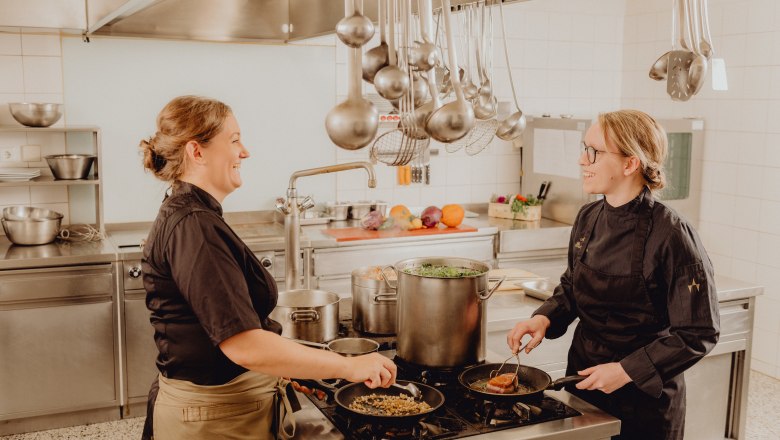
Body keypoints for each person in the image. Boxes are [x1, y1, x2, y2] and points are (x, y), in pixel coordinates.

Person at [138, 95, 396, 440]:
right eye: (234, 140)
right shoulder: (194, 225)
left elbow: (223, 336)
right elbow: (244, 345)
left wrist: (286, 368)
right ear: (196, 152)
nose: (245, 152)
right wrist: (349, 366)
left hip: (224, 407)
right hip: (214, 419)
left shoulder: (194, 213)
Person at [507, 110, 719, 440]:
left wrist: (625, 371)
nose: (582, 160)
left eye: (593, 151)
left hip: (644, 400)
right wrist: (545, 318)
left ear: (630, 163)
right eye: (584, 148)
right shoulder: (588, 217)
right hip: (583, 384)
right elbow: (572, 285)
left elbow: (698, 331)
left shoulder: (672, 234)